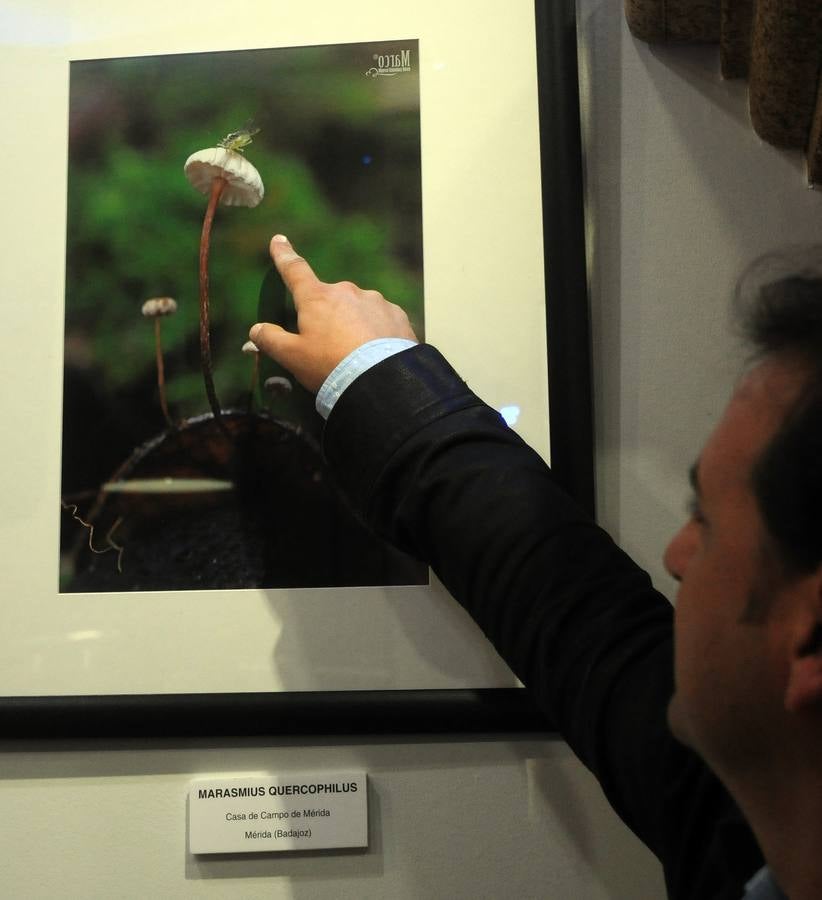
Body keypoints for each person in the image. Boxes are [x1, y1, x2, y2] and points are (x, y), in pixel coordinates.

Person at [249, 235, 822, 900]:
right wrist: (379, 375)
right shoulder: (761, 817)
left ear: (809, 640)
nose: (677, 555)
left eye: (710, 523)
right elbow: (573, 605)